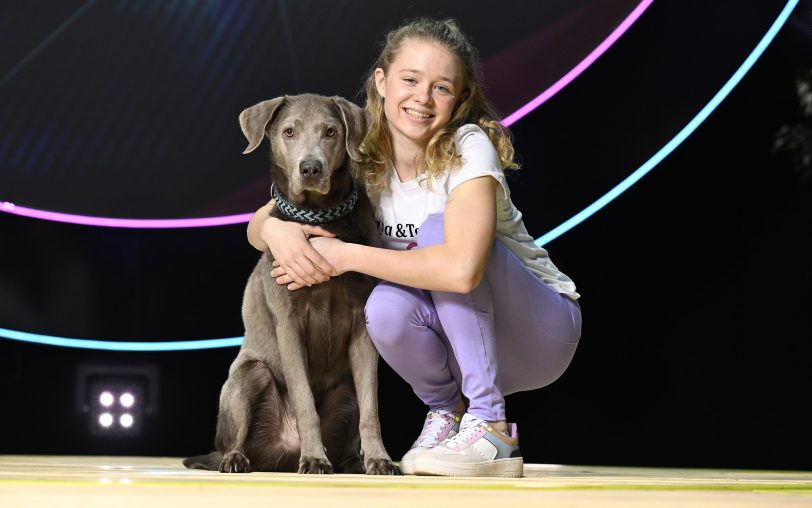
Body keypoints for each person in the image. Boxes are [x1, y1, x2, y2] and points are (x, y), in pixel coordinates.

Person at [246, 17, 581, 478]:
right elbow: (265, 219)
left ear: (459, 100)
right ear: (382, 82)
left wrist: (343, 256)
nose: (422, 98)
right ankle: (446, 414)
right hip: (461, 342)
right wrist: (274, 232)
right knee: (383, 308)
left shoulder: (468, 146)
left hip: (538, 332)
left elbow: (462, 270)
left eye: (441, 87)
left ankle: (490, 425)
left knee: (437, 235)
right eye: (410, 80)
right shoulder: (359, 161)